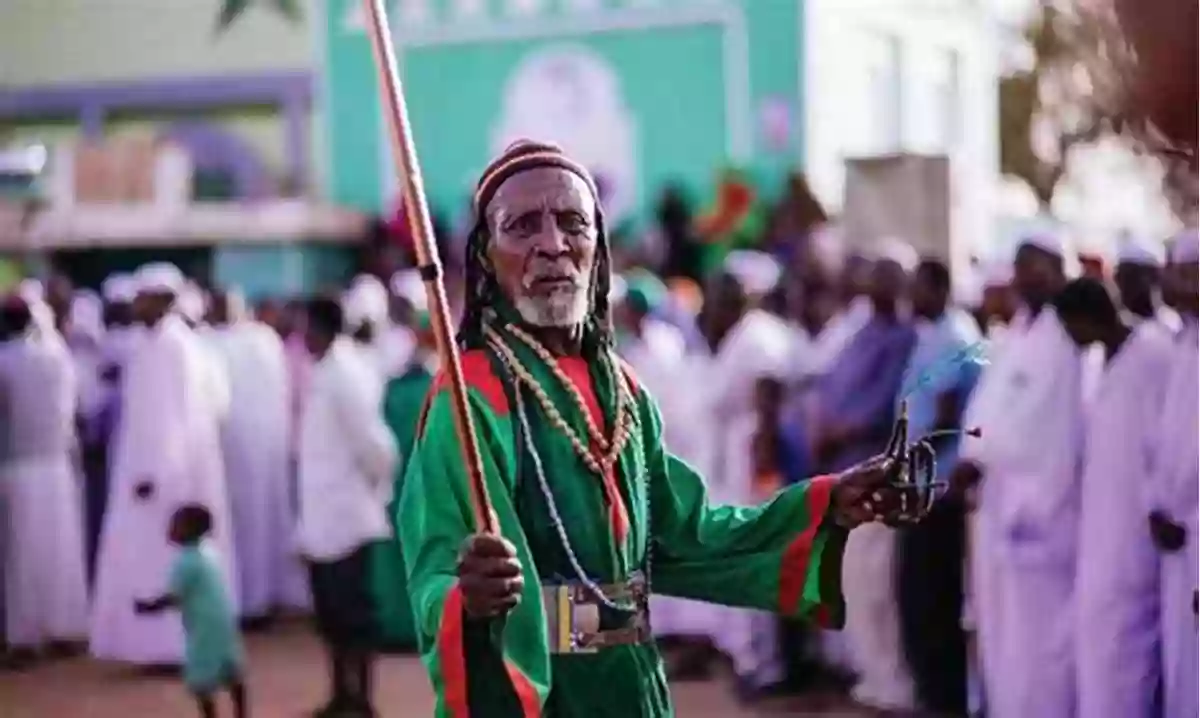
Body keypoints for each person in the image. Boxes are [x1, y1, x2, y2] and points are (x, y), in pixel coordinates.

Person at [397, 140, 924, 717]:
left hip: (634, 686)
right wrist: (466, 602)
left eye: (572, 223)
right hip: (545, 697)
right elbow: (436, 574)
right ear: (485, 258)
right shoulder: (471, 399)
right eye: (522, 226)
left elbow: (686, 535)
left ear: (598, 248)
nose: (552, 244)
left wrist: (827, 503)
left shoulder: (622, 389)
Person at [951, 234, 1083, 718]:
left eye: (1038, 267)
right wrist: (971, 456)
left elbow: (1040, 425)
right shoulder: (1015, 336)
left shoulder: (1066, 338)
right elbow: (986, 413)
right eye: (1022, 266)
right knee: (998, 630)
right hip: (996, 507)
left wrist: (980, 458)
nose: (1027, 277)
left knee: (1042, 640)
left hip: (1042, 510)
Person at [90, 263, 236, 667]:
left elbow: (178, 418)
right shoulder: (150, 344)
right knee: (147, 558)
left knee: (168, 560)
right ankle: (153, 647)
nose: (135, 305)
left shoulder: (176, 346)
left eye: (143, 296)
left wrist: (157, 473)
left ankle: (173, 648)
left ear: (163, 301)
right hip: (146, 469)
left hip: (167, 476)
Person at [1050, 277, 1171, 718]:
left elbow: (1171, 443)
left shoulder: (1156, 355)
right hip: (1101, 532)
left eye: (1070, 327)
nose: (1069, 339)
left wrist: (1158, 504)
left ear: (1088, 318)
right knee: (1098, 647)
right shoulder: (1102, 360)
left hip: (1138, 533)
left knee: (1128, 652)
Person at [814, 238, 919, 713]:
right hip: (843, 472)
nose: (877, 284)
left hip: (876, 471)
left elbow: (887, 407)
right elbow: (832, 384)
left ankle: (895, 685)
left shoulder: (904, 337)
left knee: (878, 588)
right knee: (854, 579)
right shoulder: (861, 330)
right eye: (874, 274)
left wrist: (839, 431)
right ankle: (871, 677)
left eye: (887, 276)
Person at [694, 250, 795, 697]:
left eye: (724, 293)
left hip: (755, 462)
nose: (715, 302)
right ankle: (747, 657)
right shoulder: (737, 336)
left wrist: (765, 469)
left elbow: (768, 400)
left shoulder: (760, 336)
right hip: (733, 462)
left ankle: (767, 666)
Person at [296, 296, 398, 717]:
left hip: (346, 517)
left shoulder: (345, 373)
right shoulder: (325, 371)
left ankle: (363, 701)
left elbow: (377, 447)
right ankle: (341, 695)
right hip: (322, 516)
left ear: (322, 329)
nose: (301, 337)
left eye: (306, 328)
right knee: (331, 616)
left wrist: (372, 494)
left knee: (353, 615)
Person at [895, 259, 982, 716]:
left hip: (937, 490)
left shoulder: (954, 335)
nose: (911, 297)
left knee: (935, 602)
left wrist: (904, 463)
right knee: (915, 598)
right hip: (917, 484)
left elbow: (946, 414)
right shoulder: (930, 333)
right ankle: (928, 696)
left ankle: (945, 703)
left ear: (941, 288)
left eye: (919, 288)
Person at [0, 295, 90, 664]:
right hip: (58, 466)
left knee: (21, 556)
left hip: (18, 466)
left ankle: (25, 639)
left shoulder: (5, 361)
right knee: (61, 552)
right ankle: (65, 630)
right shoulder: (59, 357)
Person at [205, 290, 299, 625]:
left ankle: (253, 602)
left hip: (243, 449)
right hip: (256, 448)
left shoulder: (220, 342)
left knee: (251, 523)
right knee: (257, 523)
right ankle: (258, 599)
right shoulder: (262, 339)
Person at [1148, 229, 1198, 718]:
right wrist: (1157, 504)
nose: (1173, 282)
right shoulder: (1182, 343)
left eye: (1184, 272)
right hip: (1175, 537)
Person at [135, 504, 246, 717]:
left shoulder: (185, 561)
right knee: (231, 670)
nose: (170, 528)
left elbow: (174, 596)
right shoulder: (210, 551)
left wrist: (148, 606)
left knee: (202, 680)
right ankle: (242, 713)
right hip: (224, 622)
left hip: (202, 628)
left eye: (176, 524)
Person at [372, 309, 437, 651]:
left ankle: (402, 624)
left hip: (406, 482)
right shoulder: (438, 383)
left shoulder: (403, 385)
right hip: (421, 482)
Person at [1114, 233, 1180, 334]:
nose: (1126, 284)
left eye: (1132, 275)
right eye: (1122, 276)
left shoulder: (1173, 327)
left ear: (1154, 277)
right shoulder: (1115, 330)